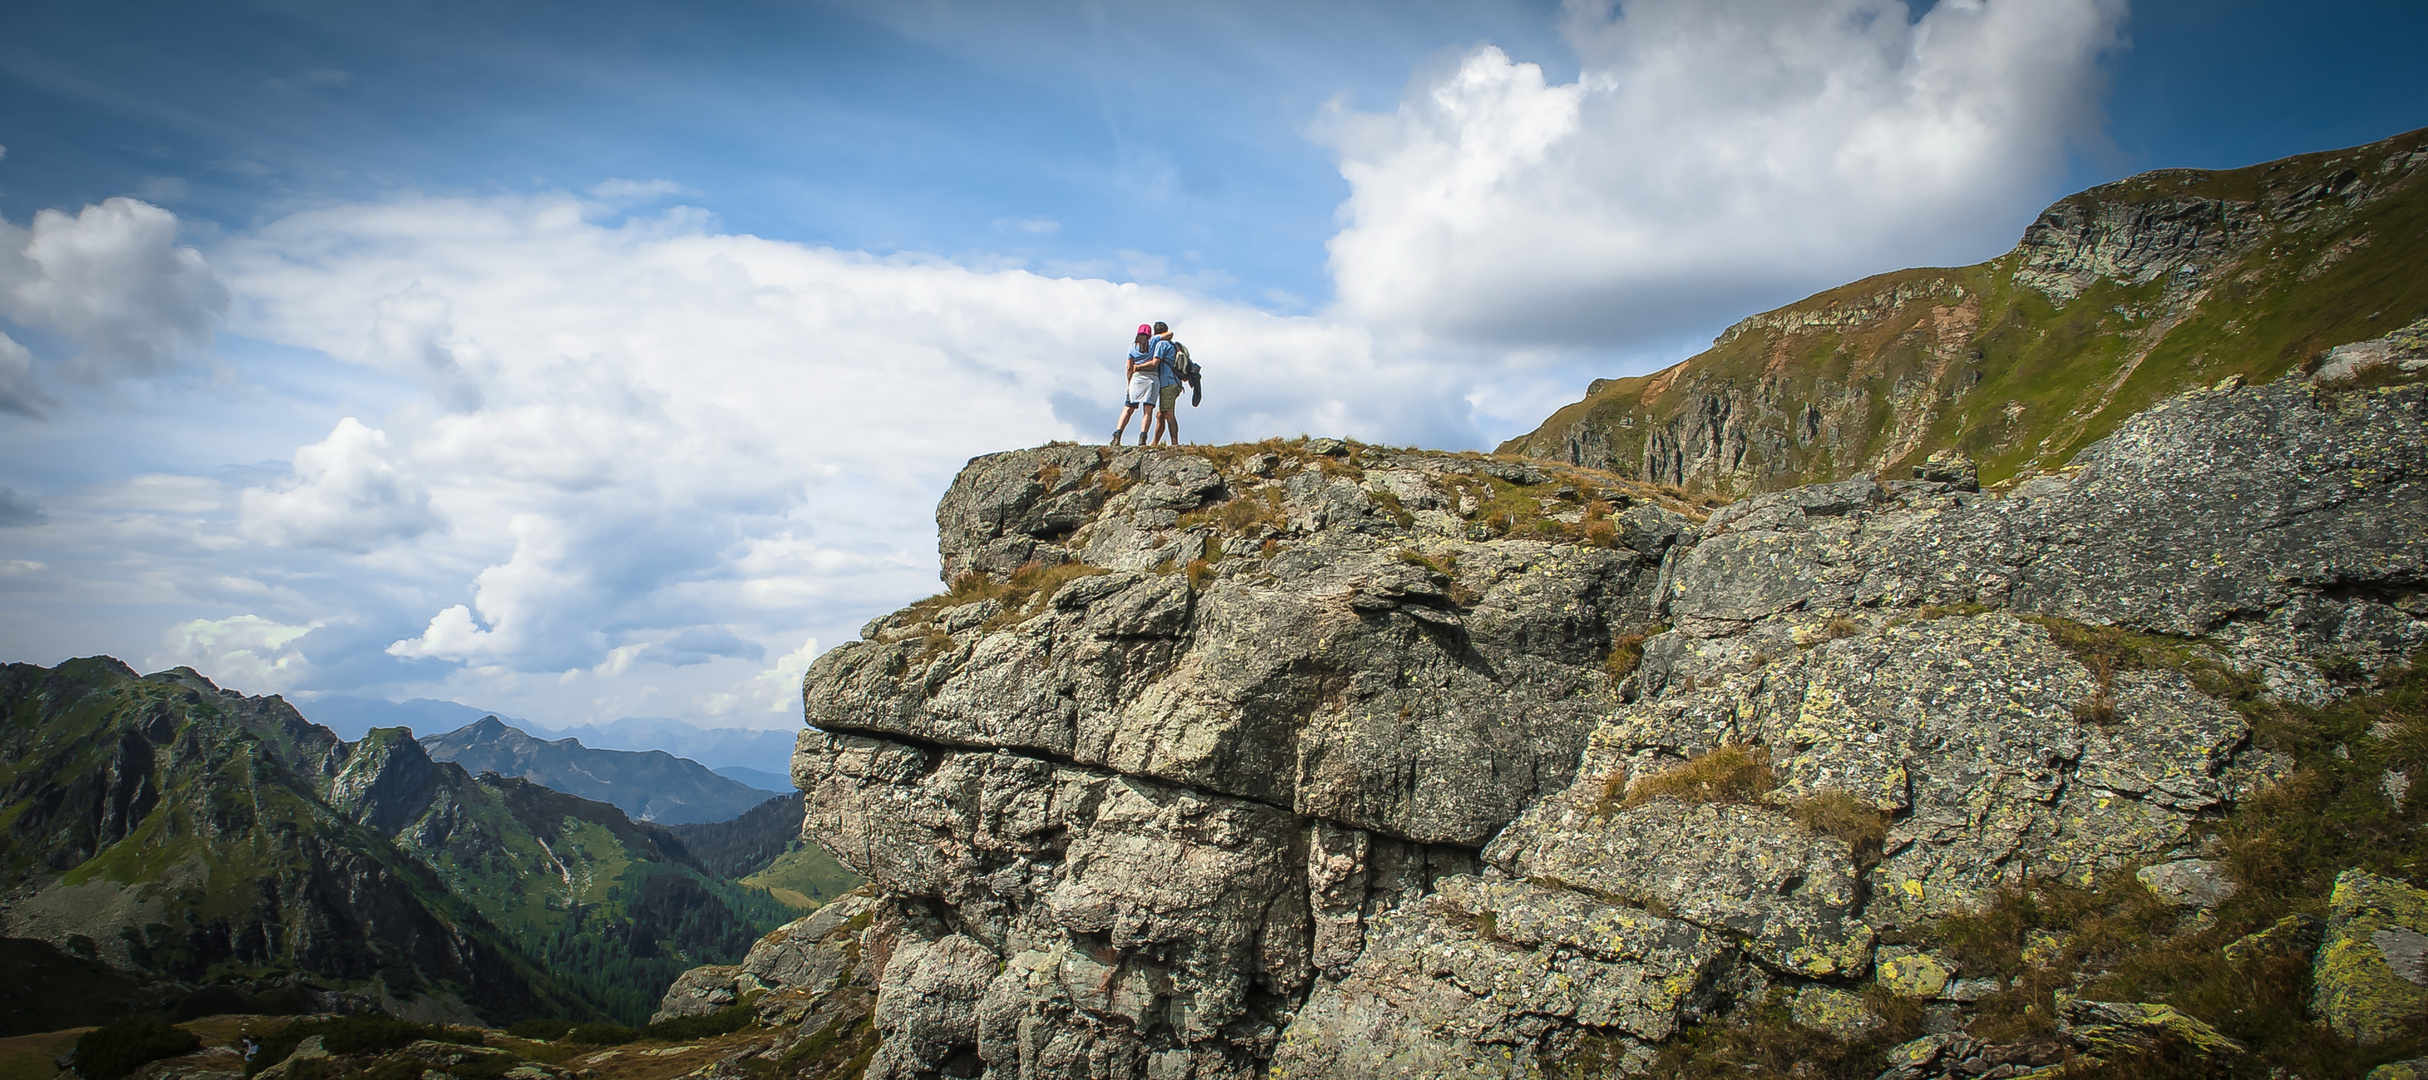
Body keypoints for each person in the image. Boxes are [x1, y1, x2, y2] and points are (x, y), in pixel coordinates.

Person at [1111, 324, 1160, 445]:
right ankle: (1142, 438)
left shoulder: (1132, 348)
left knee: (1128, 408)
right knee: (1148, 411)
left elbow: (1129, 367)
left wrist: (1129, 382)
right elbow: (1169, 334)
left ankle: (1117, 435)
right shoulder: (1153, 343)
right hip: (1152, 379)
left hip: (1136, 378)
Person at [1149, 322, 1184, 445]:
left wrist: (1138, 367)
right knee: (1160, 414)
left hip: (1168, 382)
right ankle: (1155, 443)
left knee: (1168, 413)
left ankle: (1174, 443)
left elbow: (1155, 362)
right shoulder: (1172, 345)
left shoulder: (1161, 344)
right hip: (1174, 382)